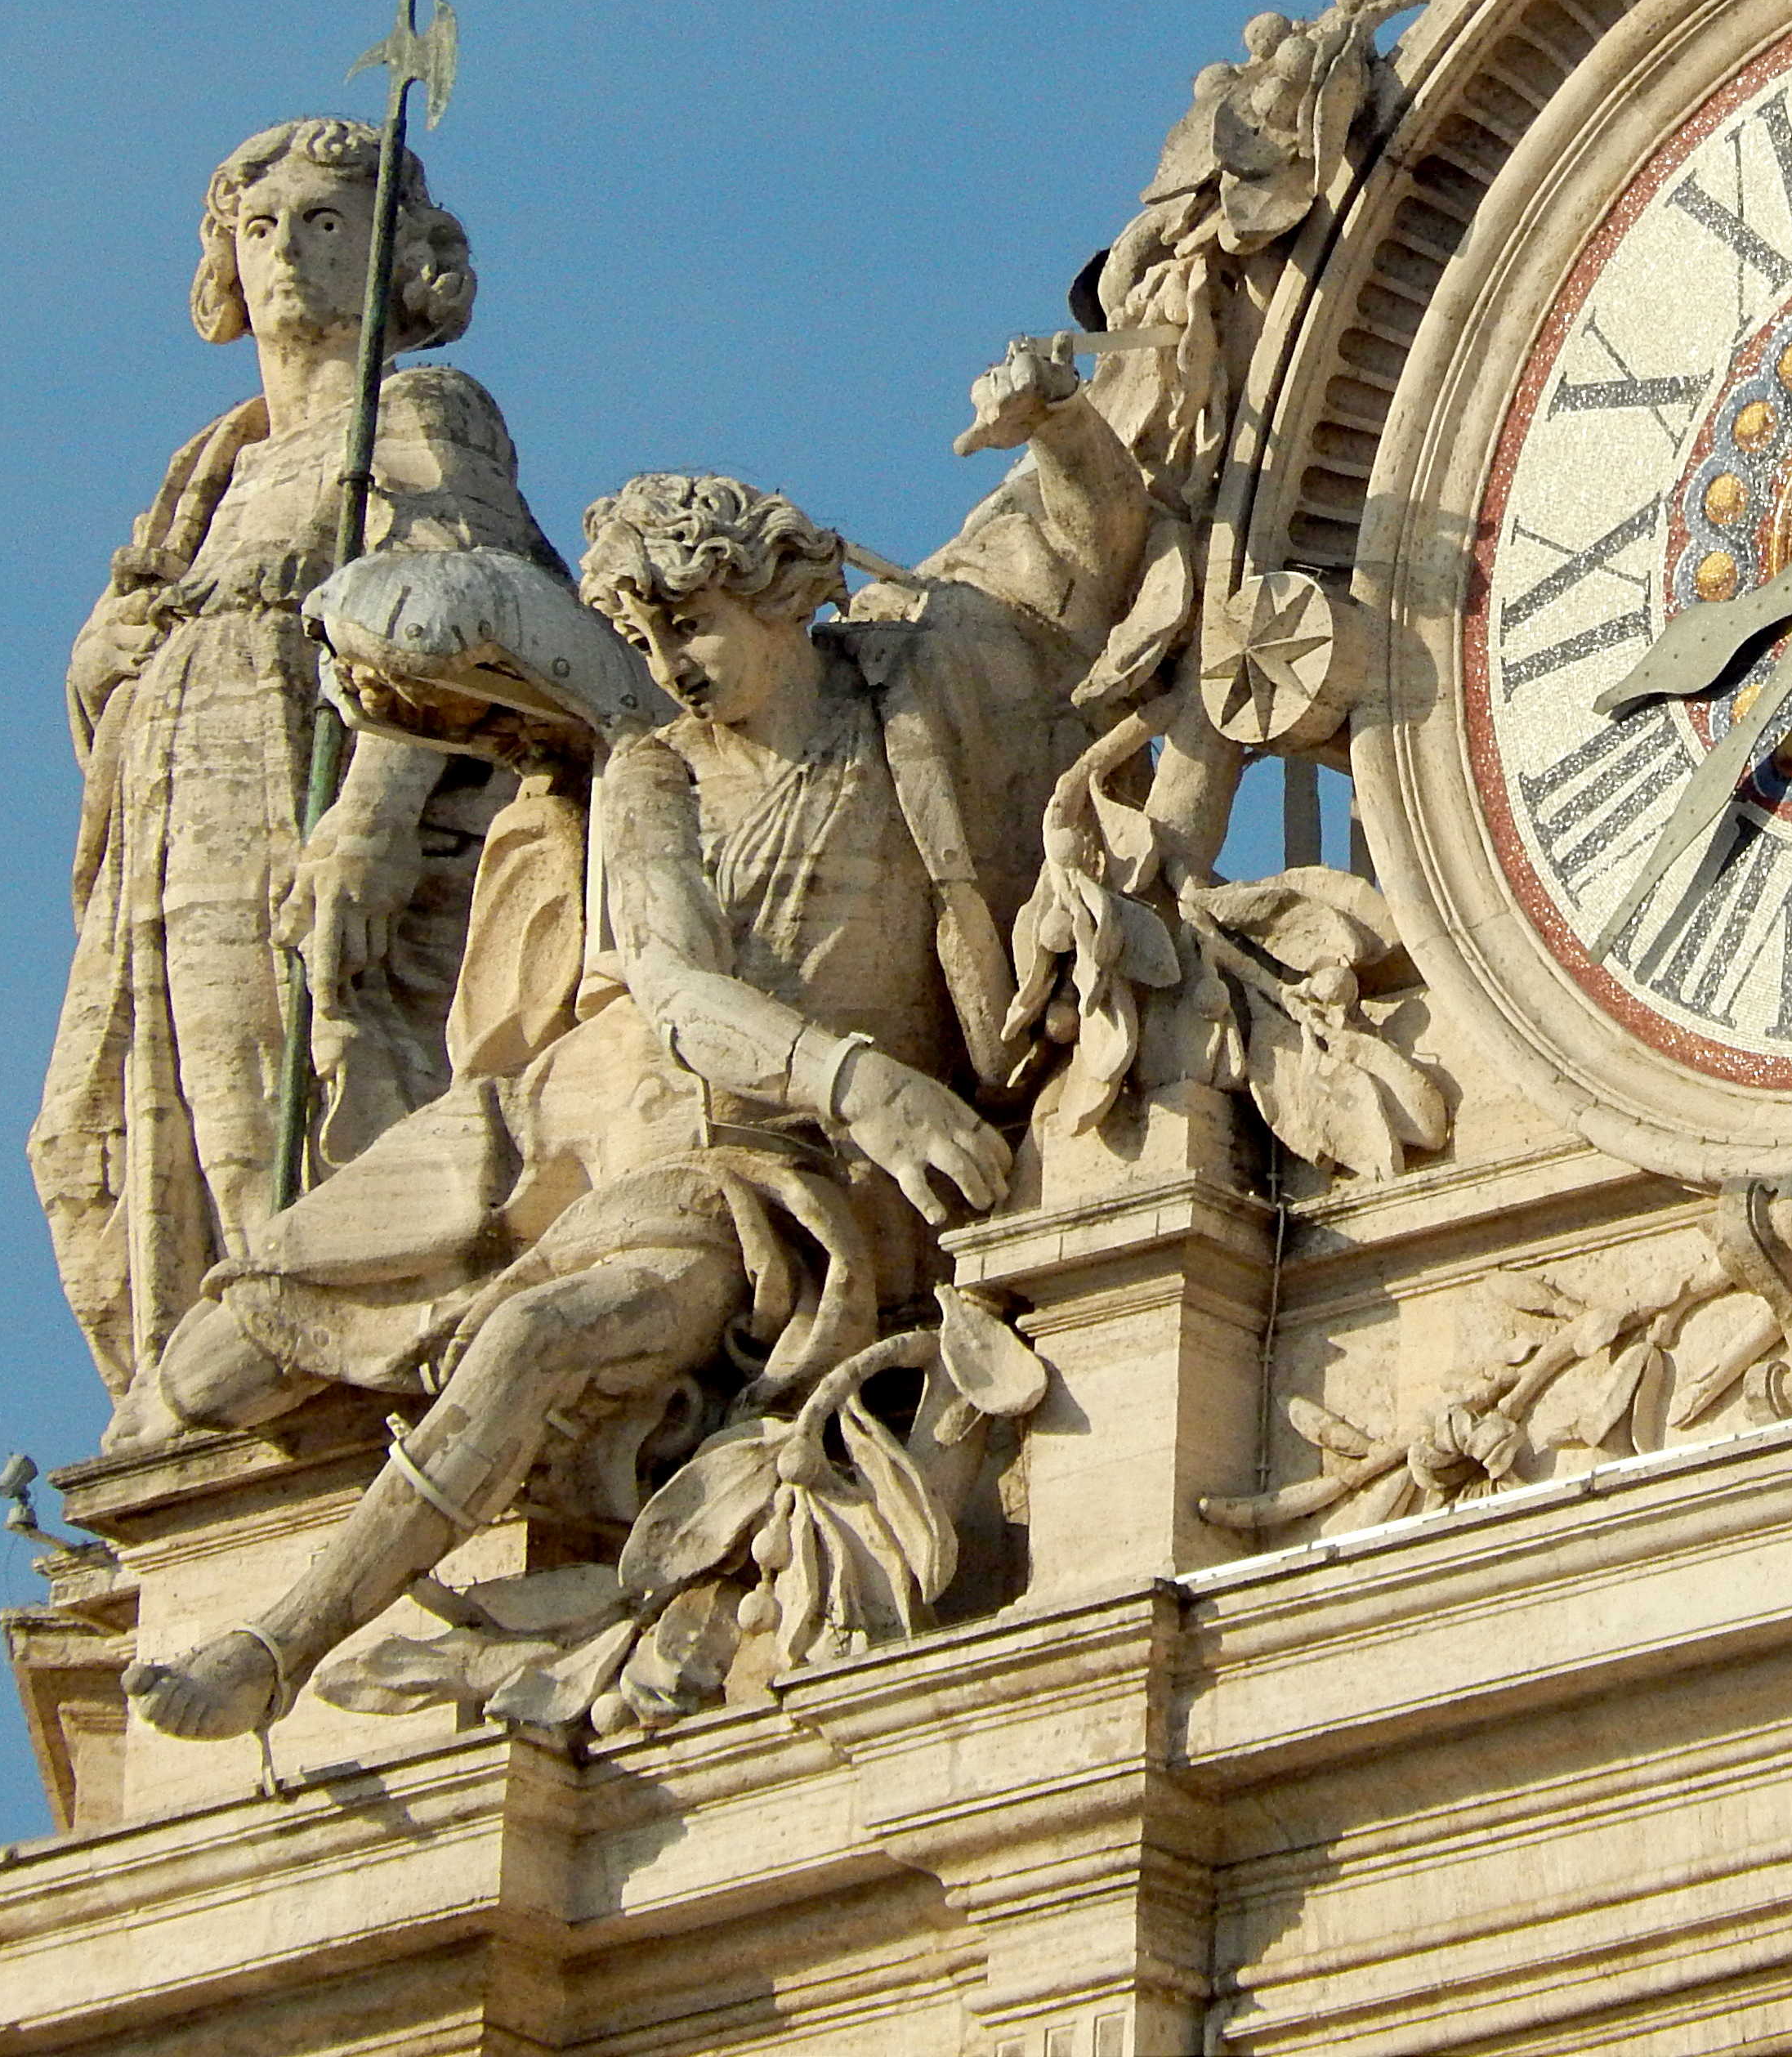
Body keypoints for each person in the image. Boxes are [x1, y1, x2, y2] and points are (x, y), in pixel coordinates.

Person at [123, 342, 1147, 1742]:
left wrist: (1064, 423)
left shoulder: (924, 686)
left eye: (694, 626)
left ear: (785, 590)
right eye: (642, 636)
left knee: (542, 1332)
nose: (669, 665)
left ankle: (279, 1644)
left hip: (782, 1189)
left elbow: (1087, 560)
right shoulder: (655, 771)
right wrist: (866, 1082)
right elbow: (669, 985)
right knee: (208, 1366)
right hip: (641, 1131)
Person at [34, 120, 556, 1434]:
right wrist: (109, 653)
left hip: (295, 794)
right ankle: (188, 1382)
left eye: (327, 224)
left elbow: (467, 604)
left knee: (280, 1080)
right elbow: (116, 654)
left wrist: (374, 818)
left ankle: (302, 1388)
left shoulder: (422, 412)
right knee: (90, 1134)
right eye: (261, 230)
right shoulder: (208, 469)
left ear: (400, 263)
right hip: (172, 816)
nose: (287, 254)